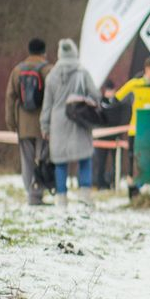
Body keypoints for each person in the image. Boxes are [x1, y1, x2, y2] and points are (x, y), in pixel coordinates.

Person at [39, 39, 97, 206]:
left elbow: (47, 104)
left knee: (60, 161)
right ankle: (85, 196)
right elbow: (95, 95)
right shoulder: (83, 73)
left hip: (58, 123)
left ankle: (61, 198)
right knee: (85, 158)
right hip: (80, 120)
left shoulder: (52, 76)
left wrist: (44, 126)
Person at [6, 38, 53, 205]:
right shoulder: (49, 70)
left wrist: (11, 122)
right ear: (44, 52)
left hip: (24, 124)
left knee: (26, 160)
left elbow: (10, 97)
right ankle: (37, 193)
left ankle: (30, 193)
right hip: (43, 124)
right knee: (42, 159)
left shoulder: (17, 70)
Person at [115, 57, 150, 196]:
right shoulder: (135, 84)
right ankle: (133, 192)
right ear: (147, 69)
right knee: (134, 161)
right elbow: (118, 97)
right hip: (136, 130)